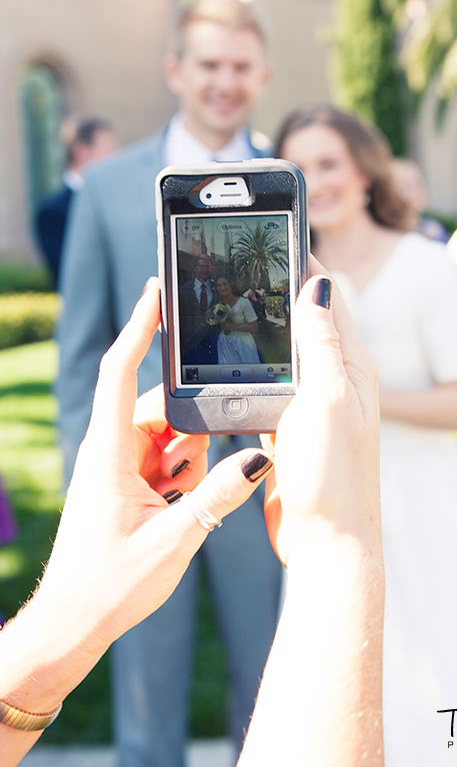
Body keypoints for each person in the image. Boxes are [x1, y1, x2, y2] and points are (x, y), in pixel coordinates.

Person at [0, 275, 385, 767]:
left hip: (191, 458)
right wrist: (339, 545)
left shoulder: (245, 302)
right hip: (160, 456)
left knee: (257, 642)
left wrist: (63, 624)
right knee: (150, 665)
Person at [276, 105, 457, 766]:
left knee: (452, 662)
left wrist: (357, 393)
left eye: (329, 163)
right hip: (326, 505)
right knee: (342, 678)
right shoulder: (283, 279)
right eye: (300, 168)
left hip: (426, 497)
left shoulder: (425, 264)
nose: (317, 180)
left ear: (366, 169)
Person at [56, 0, 279, 766]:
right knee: (146, 679)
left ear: (263, 74)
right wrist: (80, 472)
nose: (225, 80)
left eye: (241, 66)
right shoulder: (111, 186)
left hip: (266, 473)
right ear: (175, 70)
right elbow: (81, 348)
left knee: (273, 672)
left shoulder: (289, 187)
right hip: (147, 478)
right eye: (210, 63)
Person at [35, 116, 118, 287]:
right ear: (82, 151)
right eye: (109, 149)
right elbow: (66, 271)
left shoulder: (118, 199)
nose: (117, 155)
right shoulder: (53, 210)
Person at [391, 158, 449, 243]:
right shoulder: (387, 233)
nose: (417, 190)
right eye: (408, 186)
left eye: (418, 182)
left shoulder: (434, 230)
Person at [179, 253, 218, 364]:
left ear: (211, 268)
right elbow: (180, 319)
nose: (204, 269)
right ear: (195, 268)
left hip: (213, 342)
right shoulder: (183, 290)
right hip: (190, 342)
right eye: (201, 266)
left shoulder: (218, 289)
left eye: (207, 266)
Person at [215, 275, 261, 365]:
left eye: (225, 284)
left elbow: (255, 327)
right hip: (225, 342)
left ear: (231, 285)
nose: (222, 288)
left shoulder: (243, 302)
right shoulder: (218, 306)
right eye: (219, 285)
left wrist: (232, 327)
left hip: (243, 342)